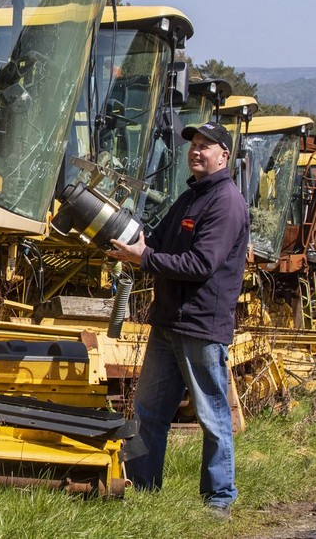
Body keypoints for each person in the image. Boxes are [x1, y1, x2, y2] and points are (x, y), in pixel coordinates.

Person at [106, 120, 250, 519]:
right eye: (194, 144)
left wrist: (143, 258)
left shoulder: (225, 202)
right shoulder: (190, 198)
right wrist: (126, 240)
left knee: (212, 415)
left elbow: (201, 263)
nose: (197, 151)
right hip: (169, 322)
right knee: (148, 413)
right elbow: (156, 241)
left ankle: (219, 499)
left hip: (202, 327)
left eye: (207, 145)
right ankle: (141, 488)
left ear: (225, 155)